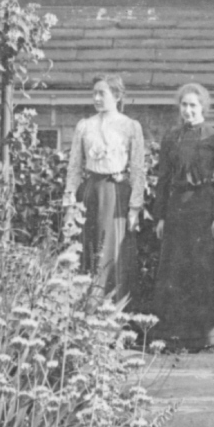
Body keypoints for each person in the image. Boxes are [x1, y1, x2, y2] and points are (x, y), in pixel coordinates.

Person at [152, 80, 214, 351]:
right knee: (176, 272)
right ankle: (176, 336)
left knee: (204, 271)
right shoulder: (170, 138)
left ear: (203, 108)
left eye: (193, 105)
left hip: (204, 209)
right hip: (177, 210)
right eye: (184, 105)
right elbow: (163, 180)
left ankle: (206, 337)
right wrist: (161, 217)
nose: (188, 111)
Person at [62, 75, 148, 299]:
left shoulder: (130, 126)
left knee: (113, 250)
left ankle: (113, 311)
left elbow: (138, 168)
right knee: (88, 250)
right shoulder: (85, 126)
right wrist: (70, 203)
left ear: (117, 96)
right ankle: (86, 309)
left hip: (116, 194)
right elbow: (74, 167)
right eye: (94, 93)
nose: (97, 98)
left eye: (103, 93)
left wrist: (135, 207)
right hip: (90, 193)